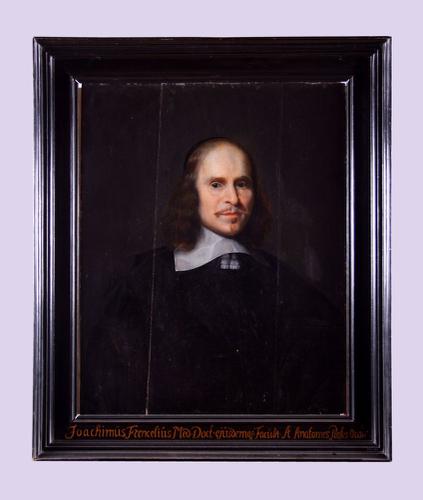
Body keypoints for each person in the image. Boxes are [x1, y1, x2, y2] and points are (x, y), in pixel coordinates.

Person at [83, 138, 345, 415]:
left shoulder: (283, 281)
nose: (233, 199)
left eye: (242, 184)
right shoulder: (141, 278)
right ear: (190, 192)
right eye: (217, 184)